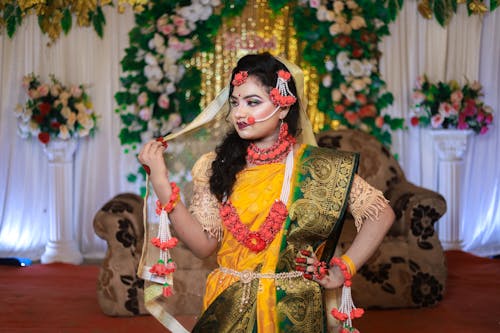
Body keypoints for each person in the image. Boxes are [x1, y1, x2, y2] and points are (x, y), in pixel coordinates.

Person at [138, 52, 395, 333]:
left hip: (294, 312)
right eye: (235, 103)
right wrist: (162, 183)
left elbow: (381, 214)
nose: (239, 113)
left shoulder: (318, 168)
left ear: (283, 107)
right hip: (229, 309)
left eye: (253, 102)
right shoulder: (215, 166)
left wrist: (343, 268)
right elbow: (203, 246)